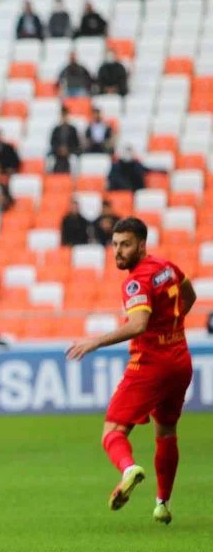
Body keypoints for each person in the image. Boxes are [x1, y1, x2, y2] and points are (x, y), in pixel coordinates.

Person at [66, 217, 197, 525]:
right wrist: (171, 327)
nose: (118, 251)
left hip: (150, 365)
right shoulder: (167, 267)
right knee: (166, 431)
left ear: (141, 244)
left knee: (112, 432)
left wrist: (95, 341)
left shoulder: (136, 281)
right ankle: (162, 503)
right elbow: (189, 296)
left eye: (125, 244)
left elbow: (138, 324)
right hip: (180, 360)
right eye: (114, 245)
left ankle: (128, 469)